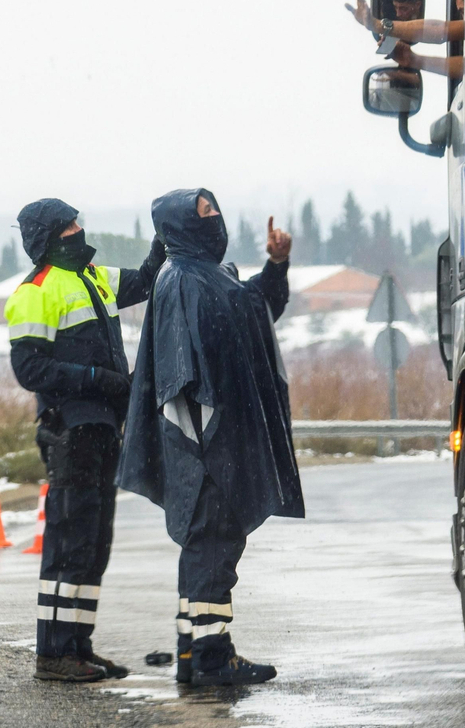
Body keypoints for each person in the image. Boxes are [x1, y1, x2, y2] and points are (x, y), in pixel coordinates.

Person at [116, 189, 302, 687]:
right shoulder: (180, 280)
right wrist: (205, 446)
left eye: (214, 208)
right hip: (204, 445)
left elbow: (254, 311)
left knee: (207, 545)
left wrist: (276, 266)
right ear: (179, 225)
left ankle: (191, 652)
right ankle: (212, 657)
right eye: (203, 212)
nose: (214, 217)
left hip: (215, 441)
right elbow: (182, 375)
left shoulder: (210, 276)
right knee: (213, 544)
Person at [5, 197, 167, 684]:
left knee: (94, 542)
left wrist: (162, 247)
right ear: (52, 237)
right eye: (70, 224)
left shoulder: (93, 276)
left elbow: (141, 282)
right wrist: (98, 377)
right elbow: (29, 368)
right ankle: (53, 654)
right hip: (70, 428)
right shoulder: (35, 290)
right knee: (69, 540)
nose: (80, 229)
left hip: (100, 428)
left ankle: (78, 646)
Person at [346, 0, 465, 79]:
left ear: (417, 5)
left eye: (403, 8)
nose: (398, 14)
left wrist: (377, 25)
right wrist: (413, 60)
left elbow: (440, 30)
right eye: (395, 7)